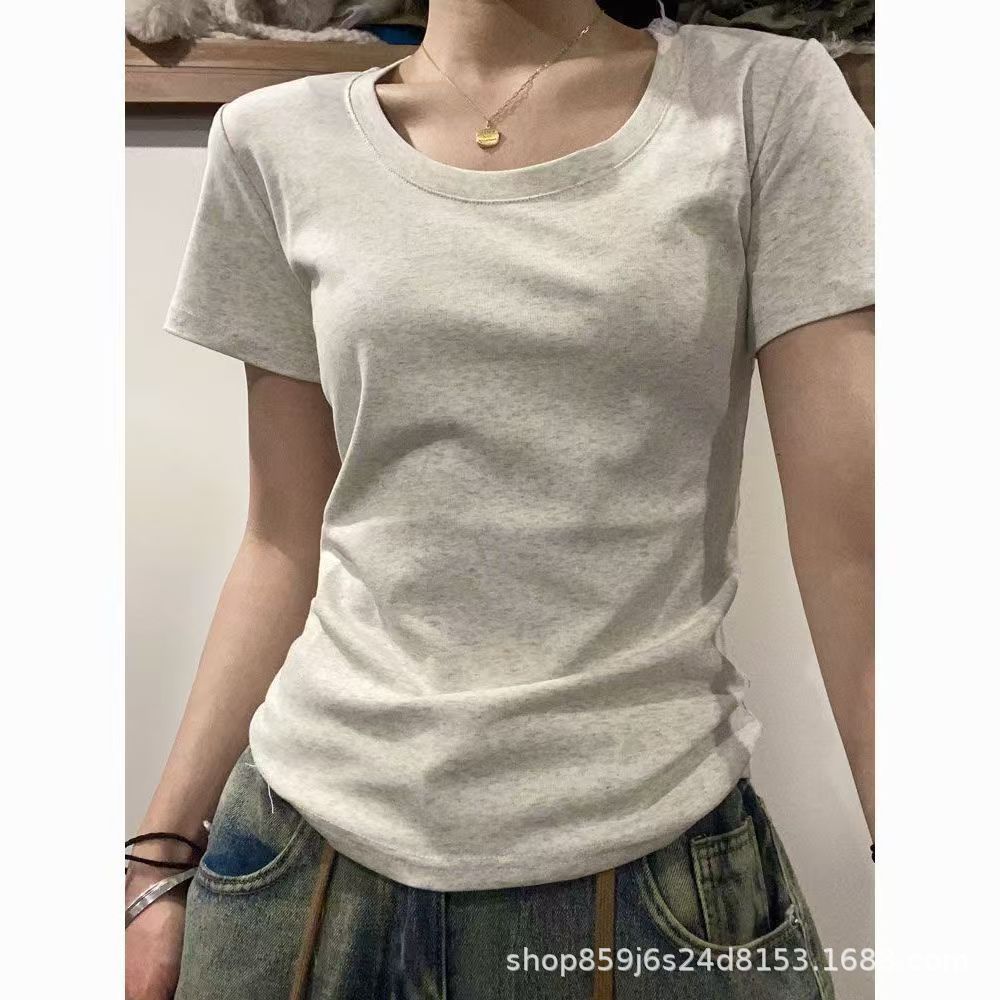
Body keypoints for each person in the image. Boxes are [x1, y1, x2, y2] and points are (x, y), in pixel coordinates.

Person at [125, 0, 874, 997]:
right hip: (295, 868)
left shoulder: (759, 101)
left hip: (645, 875)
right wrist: (157, 857)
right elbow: (281, 539)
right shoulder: (272, 139)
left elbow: (860, 554)